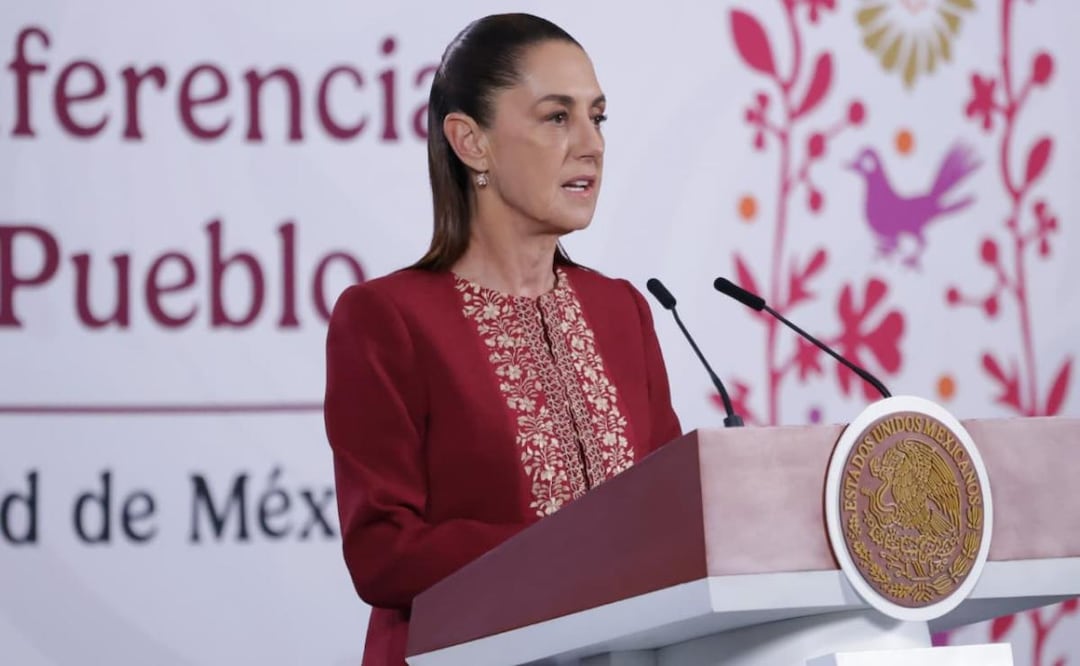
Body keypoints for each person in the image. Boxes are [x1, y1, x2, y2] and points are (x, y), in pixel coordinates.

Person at [323, 13, 683, 666]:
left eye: (597, 118)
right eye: (556, 117)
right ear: (470, 142)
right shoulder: (387, 319)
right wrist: (569, 545)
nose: (590, 145)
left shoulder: (622, 311)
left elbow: (668, 514)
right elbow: (382, 553)